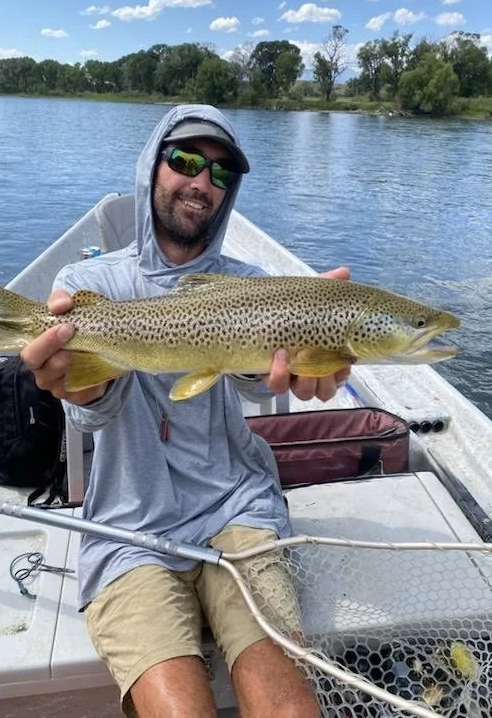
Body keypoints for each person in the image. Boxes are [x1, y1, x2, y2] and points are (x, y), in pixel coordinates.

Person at [21, 104, 350, 718]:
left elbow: (257, 381)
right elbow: (89, 413)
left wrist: (289, 357)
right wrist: (79, 389)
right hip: (129, 526)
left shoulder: (251, 286)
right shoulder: (90, 285)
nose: (203, 182)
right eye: (187, 161)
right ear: (154, 167)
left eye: (222, 174)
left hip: (238, 509)